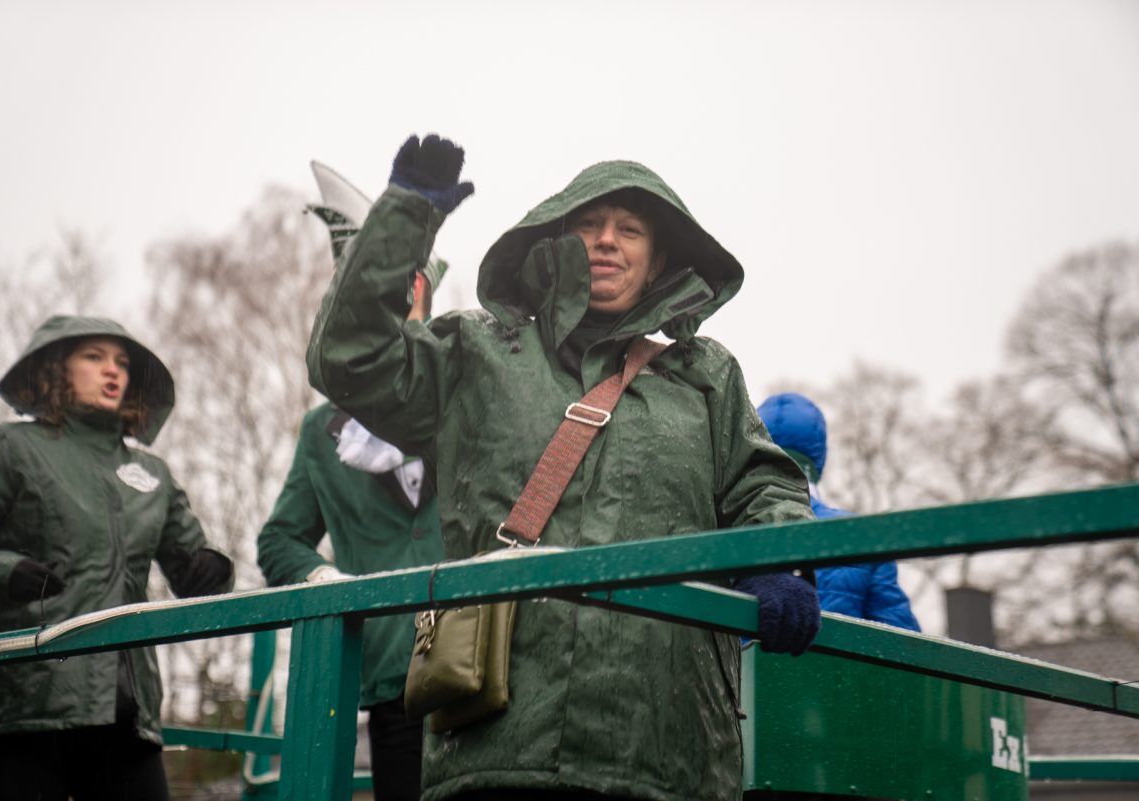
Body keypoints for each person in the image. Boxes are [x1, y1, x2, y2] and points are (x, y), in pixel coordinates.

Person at [304, 133, 821, 801]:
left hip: (668, 749)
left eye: (630, 229)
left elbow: (764, 481)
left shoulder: (707, 378)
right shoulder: (476, 351)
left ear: (658, 256)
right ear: (554, 239)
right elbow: (348, 358)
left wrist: (777, 556)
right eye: (589, 224)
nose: (607, 240)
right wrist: (405, 216)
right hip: (497, 743)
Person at [0, 314, 234, 801]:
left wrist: (214, 568)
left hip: (128, 715)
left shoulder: (152, 473)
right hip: (24, 706)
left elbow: (192, 570)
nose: (112, 370)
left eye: (121, 362)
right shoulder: (11, 448)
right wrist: (5, 572)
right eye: (94, 357)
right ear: (55, 369)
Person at [257, 256, 447, 801]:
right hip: (394, 679)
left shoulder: (465, 389)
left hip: (491, 661)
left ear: (424, 296)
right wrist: (326, 582)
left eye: (407, 286)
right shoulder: (323, 430)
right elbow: (279, 541)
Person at [757, 392, 921, 631]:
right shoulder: (864, 536)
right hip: (836, 669)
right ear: (819, 457)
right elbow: (905, 646)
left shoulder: (722, 531)